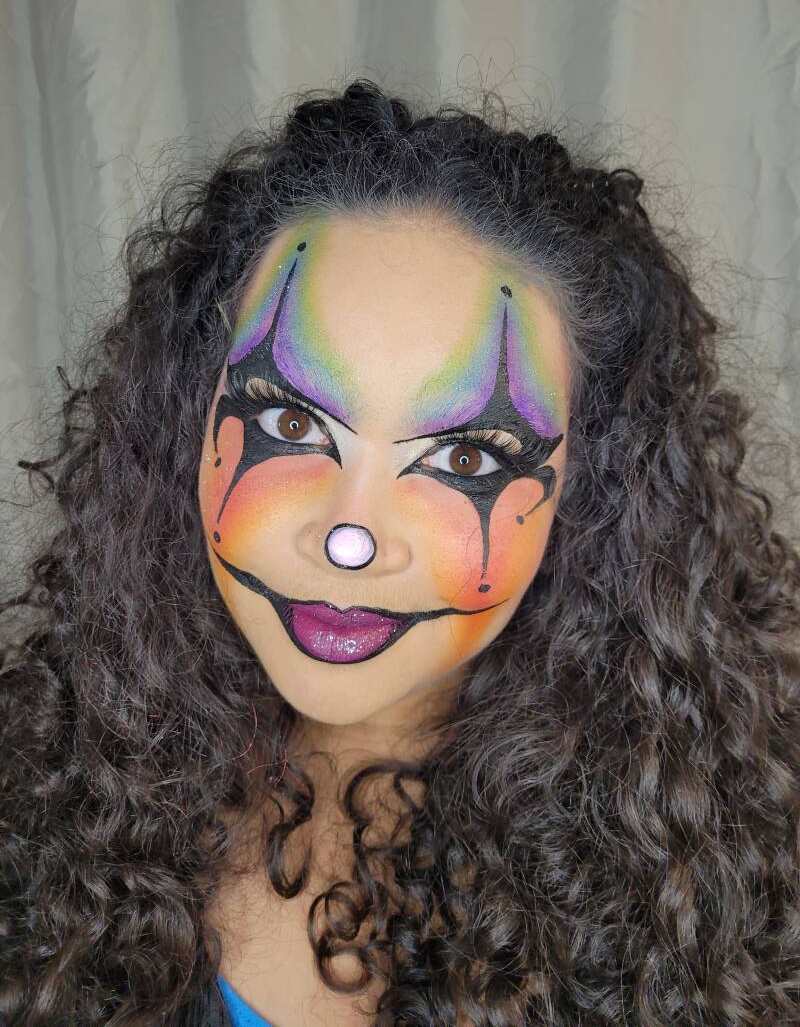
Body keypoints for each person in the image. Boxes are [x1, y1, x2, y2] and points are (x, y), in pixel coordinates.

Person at [1, 78, 798, 1027]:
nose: (350, 539)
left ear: (591, 498)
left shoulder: (716, 894)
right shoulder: (34, 801)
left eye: (464, 459)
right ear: (186, 421)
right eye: (291, 421)